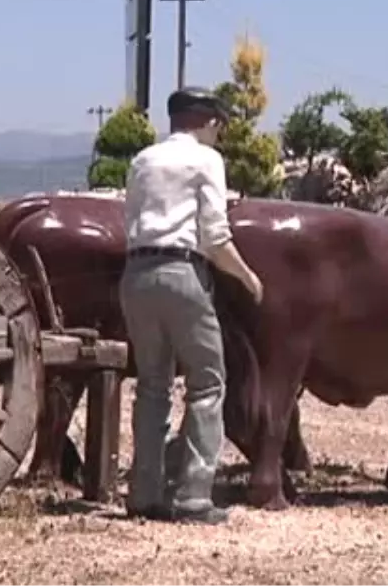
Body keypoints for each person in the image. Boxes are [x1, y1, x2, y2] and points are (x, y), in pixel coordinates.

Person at [120, 86, 264, 525]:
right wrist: (248, 277)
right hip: (183, 274)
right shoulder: (206, 160)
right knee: (206, 384)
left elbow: (130, 222)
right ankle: (194, 496)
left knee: (152, 386)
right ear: (210, 122)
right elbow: (215, 238)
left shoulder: (142, 161)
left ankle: (144, 492)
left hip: (136, 275)